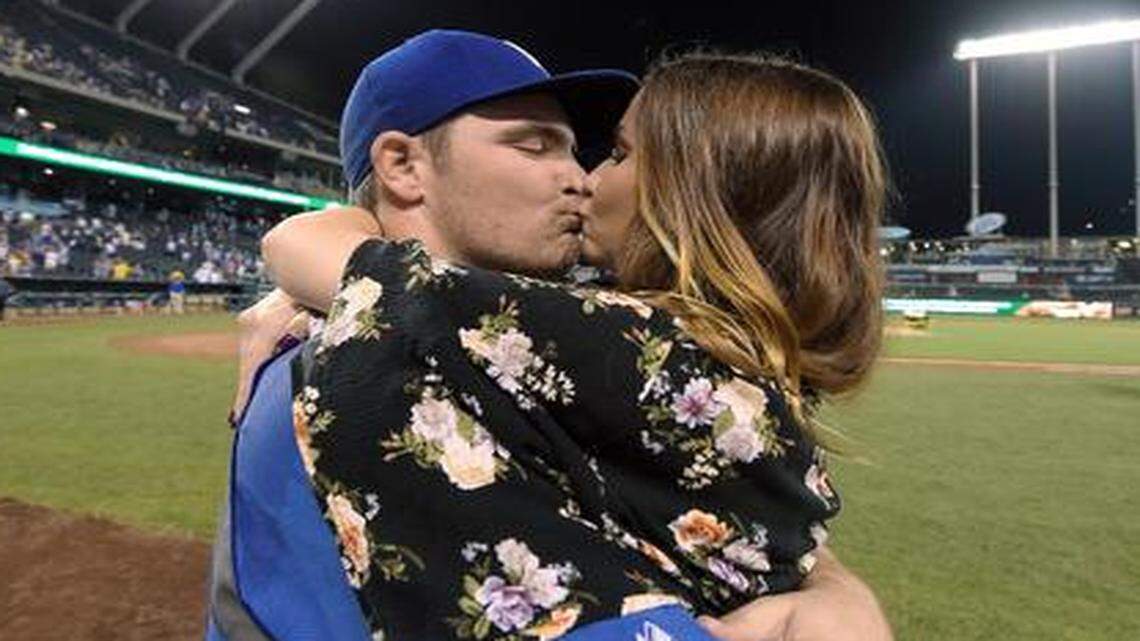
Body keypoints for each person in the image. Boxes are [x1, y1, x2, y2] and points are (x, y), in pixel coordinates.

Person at [219, 32, 890, 641]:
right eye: (535, 144)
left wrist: (833, 586)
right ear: (401, 165)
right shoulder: (372, 366)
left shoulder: (540, 349)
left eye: (590, 150)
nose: (581, 177)